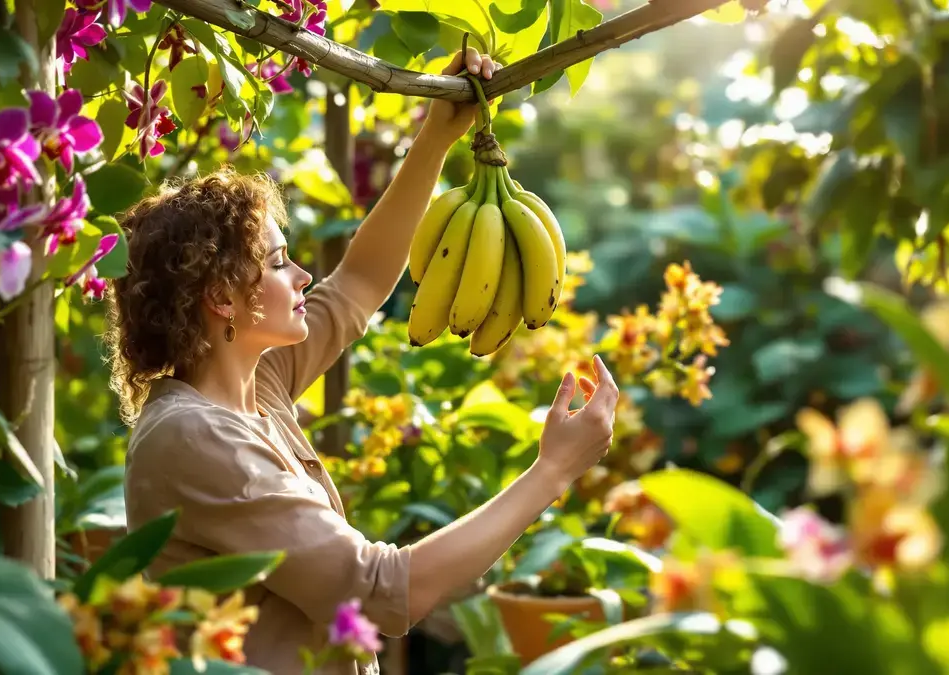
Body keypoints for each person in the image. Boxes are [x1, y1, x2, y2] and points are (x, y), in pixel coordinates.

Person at [107, 47, 620, 675]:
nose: (302, 276)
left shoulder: (254, 387)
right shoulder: (192, 437)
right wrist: (553, 472)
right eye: (275, 263)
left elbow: (358, 284)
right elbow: (380, 591)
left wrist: (437, 134)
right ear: (219, 298)